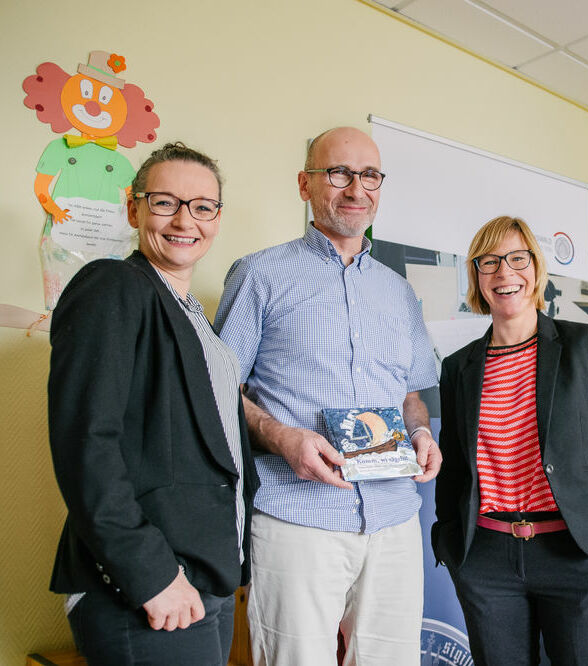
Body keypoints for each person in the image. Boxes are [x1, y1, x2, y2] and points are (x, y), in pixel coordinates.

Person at [214, 126, 440, 665]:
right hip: (297, 515)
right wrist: (282, 436)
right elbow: (217, 388)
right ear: (305, 184)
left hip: (392, 516)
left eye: (369, 176)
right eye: (338, 173)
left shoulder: (398, 291)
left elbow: (409, 392)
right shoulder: (259, 274)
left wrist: (421, 431)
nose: (355, 188)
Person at [47, 142, 259, 666]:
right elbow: (86, 445)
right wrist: (151, 575)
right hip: (145, 584)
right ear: (132, 207)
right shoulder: (113, 286)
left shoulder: (192, 316)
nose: (185, 219)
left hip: (205, 575)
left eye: (202, 206)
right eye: (165, 202)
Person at [432, 216, 588, 666]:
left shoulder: (583, 346)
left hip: (577, 554)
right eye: (489, 262)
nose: (504, 273)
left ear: (536, 269)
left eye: (517, 258)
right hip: (488, 560)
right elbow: (454, 465)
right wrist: (453, 546)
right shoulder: (459, 367)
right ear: (476, 277)